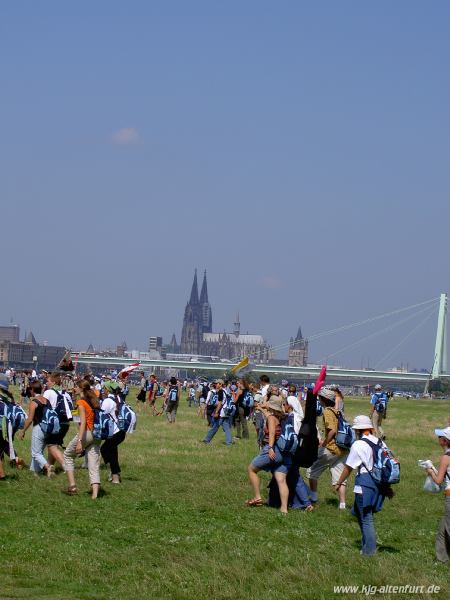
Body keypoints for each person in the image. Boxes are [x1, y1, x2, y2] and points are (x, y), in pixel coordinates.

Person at [334, 415, 392, 556]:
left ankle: (369, 551)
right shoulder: (380, 442)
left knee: (366, 518)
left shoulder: (358, 445)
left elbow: (349, 467)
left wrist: (339, 482)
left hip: (365, 484)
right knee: (359, 513)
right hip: (378, 483)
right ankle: (366, 543)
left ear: (358, 431)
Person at [246, 395, 290, 514]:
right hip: (282, 452)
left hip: (272, 449)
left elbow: (271, 433)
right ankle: (284, 509)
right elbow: (269, 416)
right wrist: (261, 409)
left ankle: (257, 496)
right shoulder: (281, 416)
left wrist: (270, 448)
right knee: (281, 480)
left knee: (251, 469)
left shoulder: (271, 418)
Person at [307, 387, 348, 509]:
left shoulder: (328, 412)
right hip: (343, 449)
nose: (319, 400)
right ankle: (342, 504)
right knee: (339, 477)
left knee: (311, 471)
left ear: (324, 399)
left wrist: (324, 443)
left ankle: (313, 498)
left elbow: (332, 430)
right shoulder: (338, 411)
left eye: (320, 398)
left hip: (332, 448)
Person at [64, 383, 101, 498]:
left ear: (81, 388)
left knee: (68, 455)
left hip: (87, 433)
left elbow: (83, 423)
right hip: (97, 434)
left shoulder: (81, 403)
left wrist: (79, 441)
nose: (73, 388)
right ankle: (95, 495)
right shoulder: (93, 401)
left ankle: (72, 486)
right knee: (93, 464)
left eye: (75, 386)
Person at [424, 426, 450, 563]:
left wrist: (430, 471)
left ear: (445, 441)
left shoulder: (446, 457)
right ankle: (441, 559)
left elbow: (439, 481)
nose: (438, 438)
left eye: (440, 436)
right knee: (442, 530)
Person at [20, 381, 56, 477]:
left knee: (35, 453)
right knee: (39, 451)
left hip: (39, 428)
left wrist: (23, 430)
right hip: (48, 428)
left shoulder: (34, 401)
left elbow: (30, 419)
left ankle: (48, 467)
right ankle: (35, 472)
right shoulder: (46, 400)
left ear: (32, 390)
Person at [100, 381, 126, 484]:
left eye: (104, 388)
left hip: (114, 432)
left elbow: (101, 415)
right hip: (121, 431)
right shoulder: (119, 399)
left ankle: (114, 476)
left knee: (108, 452)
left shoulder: (107, 401)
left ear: (107, 389)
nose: (103, 390)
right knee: (111, 452)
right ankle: (115, 474)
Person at [202, 380, 234, 446]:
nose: (215, 385)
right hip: (227, 411)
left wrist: (216, 412)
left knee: (215, 426)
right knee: (226, 427)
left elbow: (220, 403)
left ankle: (206, 440)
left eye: (217, 383)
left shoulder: (220, 391)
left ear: (220, 384)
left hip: (222, 411)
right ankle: (229, 442)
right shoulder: (226, 391)